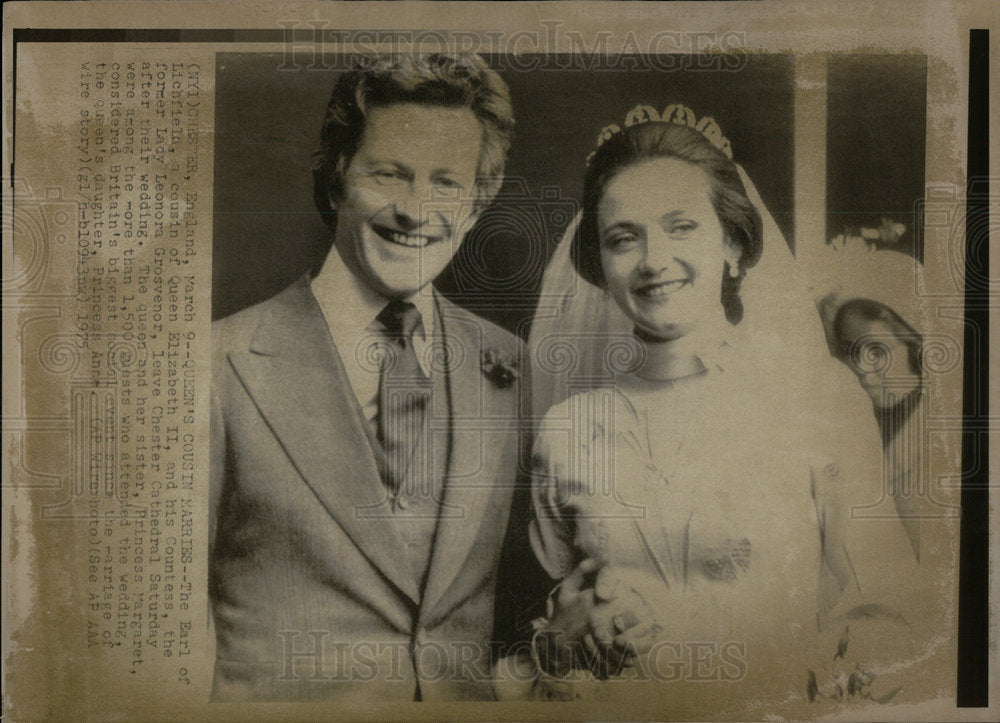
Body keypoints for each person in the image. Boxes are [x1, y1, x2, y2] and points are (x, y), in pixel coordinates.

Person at [502, 106, 928, 711]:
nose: (652, 260)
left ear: (732, 243)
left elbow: (891, 611)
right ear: (600, 266)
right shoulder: (567, 429)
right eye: (624, 237)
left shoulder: (817, 400)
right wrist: (560, 637)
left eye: (681, 227)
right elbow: (541, 629)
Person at [210, 52, 527, 702]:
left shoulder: (513, 366)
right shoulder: (216, 362)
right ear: (335, 181)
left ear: (474, 206)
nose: (415, 210)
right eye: (389, 174)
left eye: (445, 183)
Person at [816, 248, 934, 559]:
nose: (862, 371)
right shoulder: (855, 428)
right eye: (849, 354)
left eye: (876, 353)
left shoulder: (942, 438)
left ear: (913, 342)